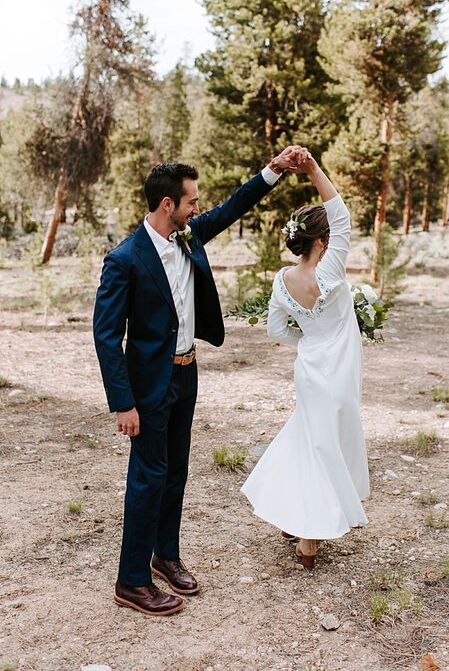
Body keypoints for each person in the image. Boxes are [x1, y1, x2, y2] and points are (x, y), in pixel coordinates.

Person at [94, 150, 294, 615]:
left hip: (187, 374)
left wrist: (275, 170)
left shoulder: (190, 237)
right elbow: (106, 337)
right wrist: (123, 403)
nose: (198, 209)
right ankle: (132, 580)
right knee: (148, 478)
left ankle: (165, 553)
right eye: (191, 203)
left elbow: (233, 207)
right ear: (167, 204)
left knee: (176, 471)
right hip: (147, 388)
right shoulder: (124, 259)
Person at [241, 146, 369, 569]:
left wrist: (309, 339)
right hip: (340, 369)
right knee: (327, 447)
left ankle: (292, 514)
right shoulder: (330, 272)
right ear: (322, 241)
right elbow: (342, 216)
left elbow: (277, 330)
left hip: (310, 367)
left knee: (308, 440)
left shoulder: (282, 281)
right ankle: (310, 538)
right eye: (329, 236)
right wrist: (313, 169)